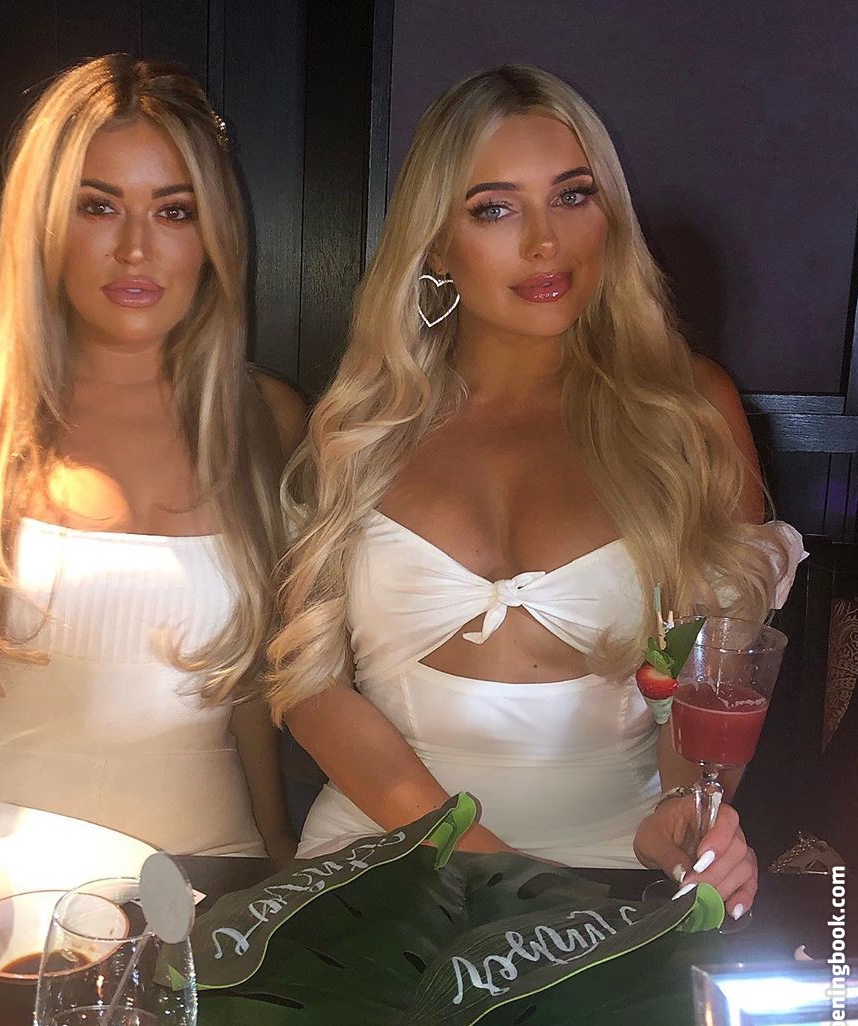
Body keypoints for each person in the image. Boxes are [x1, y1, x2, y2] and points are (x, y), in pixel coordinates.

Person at [268, 66, 803, 917]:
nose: (545, 242)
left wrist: (686, 808)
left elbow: (713, 678)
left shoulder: (689, 412)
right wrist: (486, 862)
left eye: (572, 196)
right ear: (434, 245)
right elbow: (311, 689)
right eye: (495, 209)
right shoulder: (365, 423)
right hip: (380, 854)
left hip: (620, 870)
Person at [0, 55, 303, 861]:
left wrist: (277, 840)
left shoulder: (265, 419)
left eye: (174, 211)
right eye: (97, 206)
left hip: (200, 875)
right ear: (42, 225)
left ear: (214, 236)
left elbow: (253, 685)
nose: (137, 249)